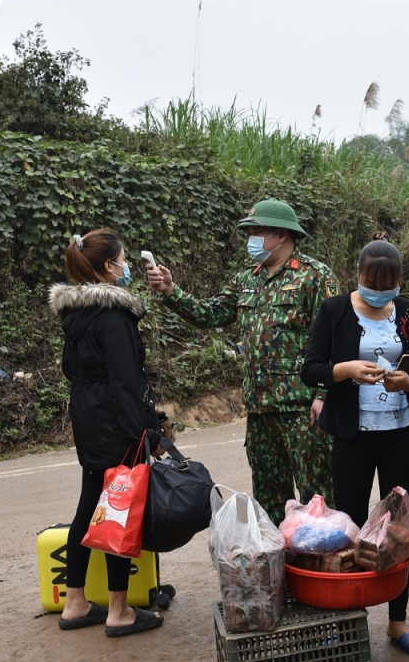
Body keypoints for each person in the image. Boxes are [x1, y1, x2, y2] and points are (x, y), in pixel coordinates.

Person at [145, 200, 338, 524]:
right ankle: (280, 567)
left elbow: (337, 338)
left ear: (281, 235)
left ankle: (320, 567)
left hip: (302, 408)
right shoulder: (246, 279)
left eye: (256, 232)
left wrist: (323, 396)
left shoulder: (315, 277)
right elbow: (210, 314)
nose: (250, 239)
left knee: (316, 495)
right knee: (269, 495)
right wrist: (171, 290)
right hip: (260, 407)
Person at [301, 238, 409, 656]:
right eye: (372, 281)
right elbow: (311, 369)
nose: (380, 290)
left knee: (397, 527)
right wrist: (344, 370)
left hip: (400, 433)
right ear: (357, 275)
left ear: (398, 281)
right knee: (352, 527)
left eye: (388, 282)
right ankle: (347, 621)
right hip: (353, 436)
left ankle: (398, 622)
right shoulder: (334, 310)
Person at [49, 230, 165, 637]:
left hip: (88, 419)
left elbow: (73, 372)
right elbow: (125, 381)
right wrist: (145, 429)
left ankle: (76, 602)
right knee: (120, 507)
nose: (127, 265)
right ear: (107, 267)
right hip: (118, 424)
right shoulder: (114, 316)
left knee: (89, 505)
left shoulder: (75, 315)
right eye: (123, 259)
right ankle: (119, 611)